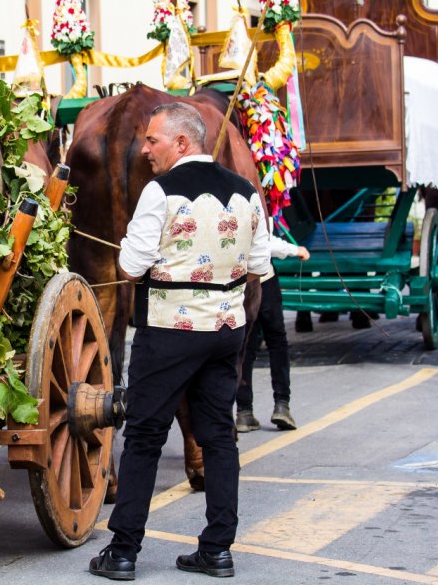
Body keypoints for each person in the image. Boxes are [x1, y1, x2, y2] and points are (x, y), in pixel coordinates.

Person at [88, 102, 270, 580]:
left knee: (145, 436)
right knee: (218, 438)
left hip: (168, 331)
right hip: (225, 332)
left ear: (183, 142)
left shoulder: (160, 193)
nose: (144, 149)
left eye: (153, 140)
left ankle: (123, 552)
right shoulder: (246, 192)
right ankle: (217, 550)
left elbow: (130, 266)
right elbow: (258, 267)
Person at [237, 235, 310, 433]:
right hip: (263, 280)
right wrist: (295, 250)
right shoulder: (256, 205)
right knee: (277, 342)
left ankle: (244, 412)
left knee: (246, 346)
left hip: (240, 282)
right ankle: (282, 405)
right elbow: (265, 240)